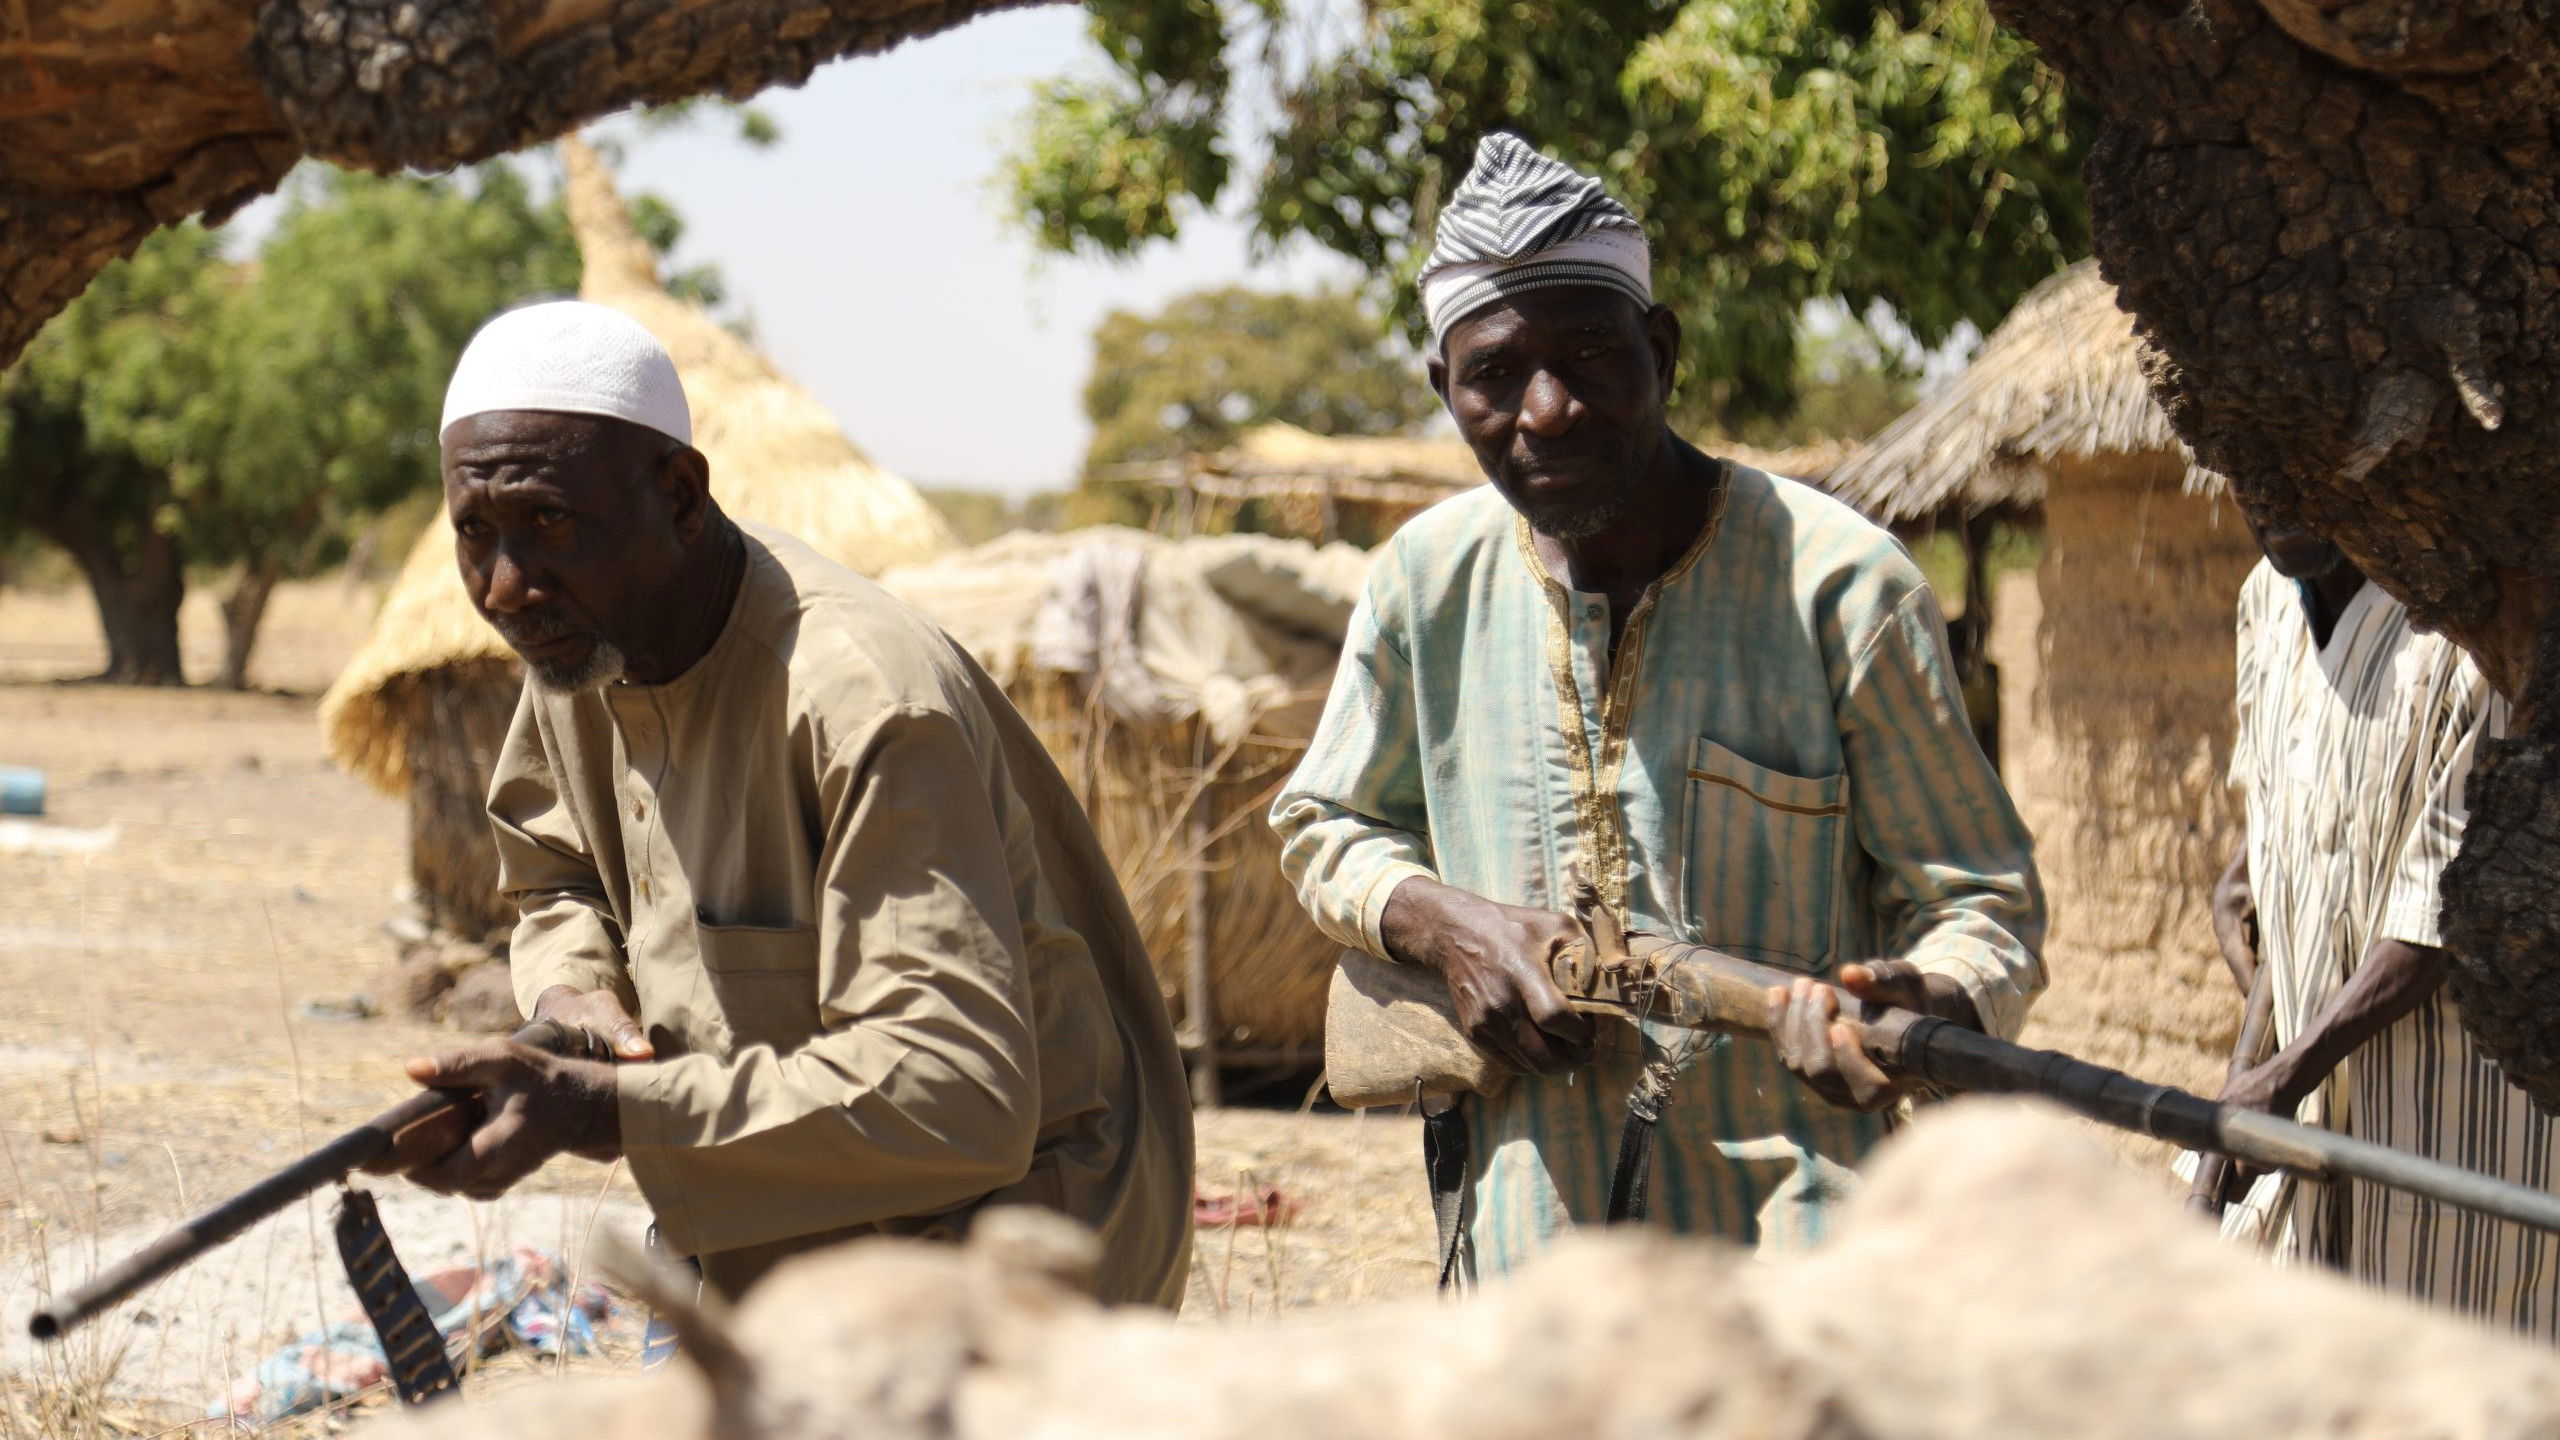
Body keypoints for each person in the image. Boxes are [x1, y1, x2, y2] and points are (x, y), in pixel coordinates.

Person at [1271, 133, 2045, 1279]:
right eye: (1492, 375)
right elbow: (1322, 825)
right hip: (1531, 1235)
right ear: (1446, 391)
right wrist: (1449, 927)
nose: (1548, 409)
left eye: (1590, 355)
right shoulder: (1421, 584)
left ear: (1662, 348)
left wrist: (1926, 1008)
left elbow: (1982, 903)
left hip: (1803, 1237)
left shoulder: (1838, 584)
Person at [374, 301, 1193, 1306]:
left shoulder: (861, 697)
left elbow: (958, 1094)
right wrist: (571, 994)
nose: (504, 587)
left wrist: (603, 1111)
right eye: (477, 534)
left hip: (1008, 1265)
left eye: (549, 522)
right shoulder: (582, 648)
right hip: (766, 1237)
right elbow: (561, 876)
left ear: (678, 496)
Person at [2204, 515, 2559, 1333]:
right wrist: (2250, 898)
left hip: (2458, 1140)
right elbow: (2277, 812)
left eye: (2299, 466)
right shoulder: (2265, 602)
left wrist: (2282, 1078)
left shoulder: (2478, 622)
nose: (2278, 501)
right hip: (2308, 1120)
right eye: (2254, 475)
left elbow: (2438, 911)